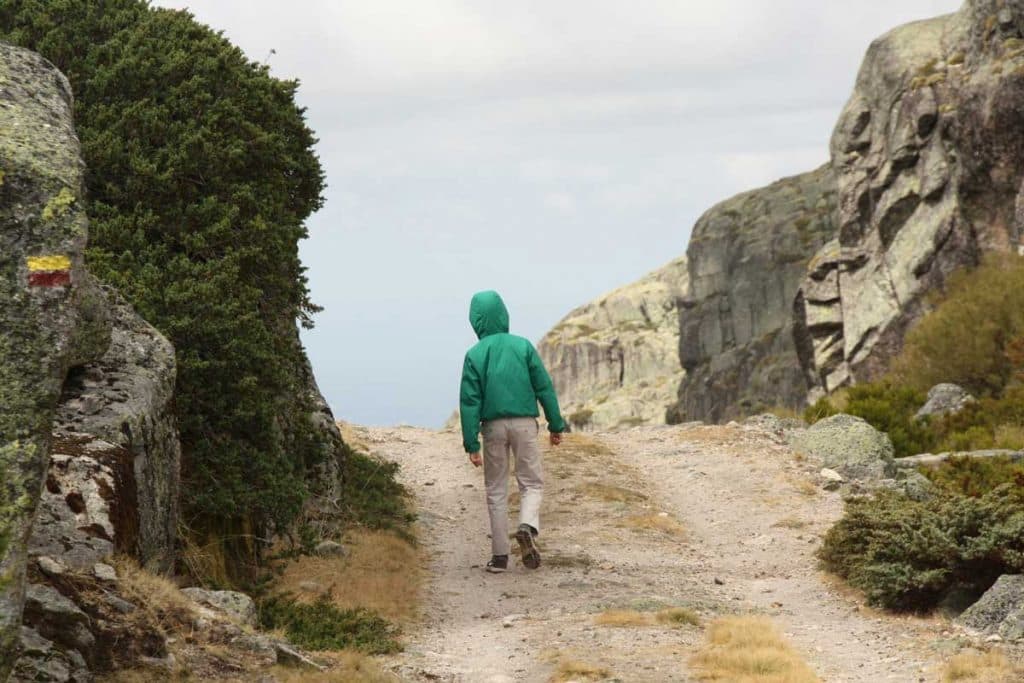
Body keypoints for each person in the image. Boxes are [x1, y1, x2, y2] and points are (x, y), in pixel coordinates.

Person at [459, 290, 566, 573]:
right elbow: (544, 387)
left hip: (492, 427)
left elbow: (470, 401)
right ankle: (527, 525)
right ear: (504, 314)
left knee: (495, 489)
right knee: (531, 482)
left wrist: (471, 443)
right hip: (524, 423)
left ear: (476, 321)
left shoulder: (474, 355)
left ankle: (499, 558)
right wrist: (556, 425)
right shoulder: (523, 346)